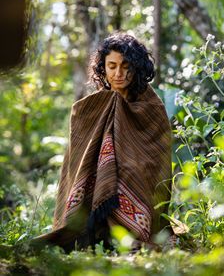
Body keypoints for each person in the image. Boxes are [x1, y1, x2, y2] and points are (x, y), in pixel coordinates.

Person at [32, 32, 173, 253]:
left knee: (128, 169)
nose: (119, 73)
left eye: (126, 66)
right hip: (93, 198)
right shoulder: (88, 109)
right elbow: (76, 164)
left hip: (138, 189)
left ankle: (126, 235)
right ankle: (95, 233)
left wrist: (126, 165)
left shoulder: (151, 106)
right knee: (104, 168)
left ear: (136, 68)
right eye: (112, 66)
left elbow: (157, 160)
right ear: (103, 69)